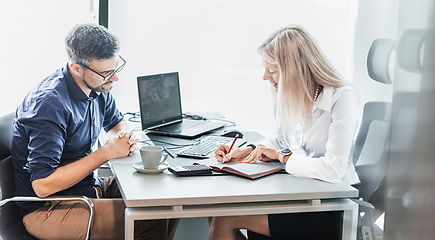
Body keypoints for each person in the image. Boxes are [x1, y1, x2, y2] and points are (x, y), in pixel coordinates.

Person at [11, 23, 179, 240]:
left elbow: (116, 123)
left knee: (167, 201)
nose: (115, 78)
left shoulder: (97, 86)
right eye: (107, 73)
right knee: (150, 217)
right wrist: (106, 153)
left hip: (87, 188)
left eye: (117, 68)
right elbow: (43, 185)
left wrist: (123, 138)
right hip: (48, 209)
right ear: (76, 68)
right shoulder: (50, 105)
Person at [210, 24, 360, 240]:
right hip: (307, 194)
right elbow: (278, 138)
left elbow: (333, 170)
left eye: (272, 71)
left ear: (296, 69)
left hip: (333, 207)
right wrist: (249, 151)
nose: (265, 77)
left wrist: (283, 157)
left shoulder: (341, 97)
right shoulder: (294, 95)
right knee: (216, 211)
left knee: (224, 219)